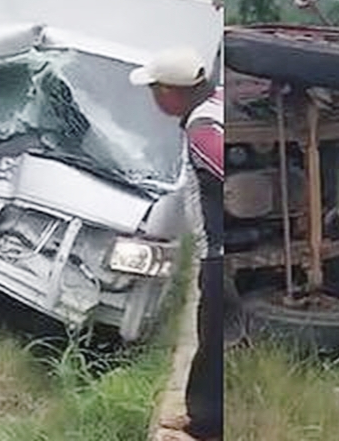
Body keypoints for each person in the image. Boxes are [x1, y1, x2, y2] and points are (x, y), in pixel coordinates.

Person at [129, 47, 222, 441]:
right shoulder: (213, 107)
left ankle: (206, 428)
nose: (152, 98)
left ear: (169, 92)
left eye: (154, 90)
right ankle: (202, 418)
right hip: (215, 251)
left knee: (213, 336)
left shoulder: (201, 130)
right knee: (210, 335)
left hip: (217, 254)